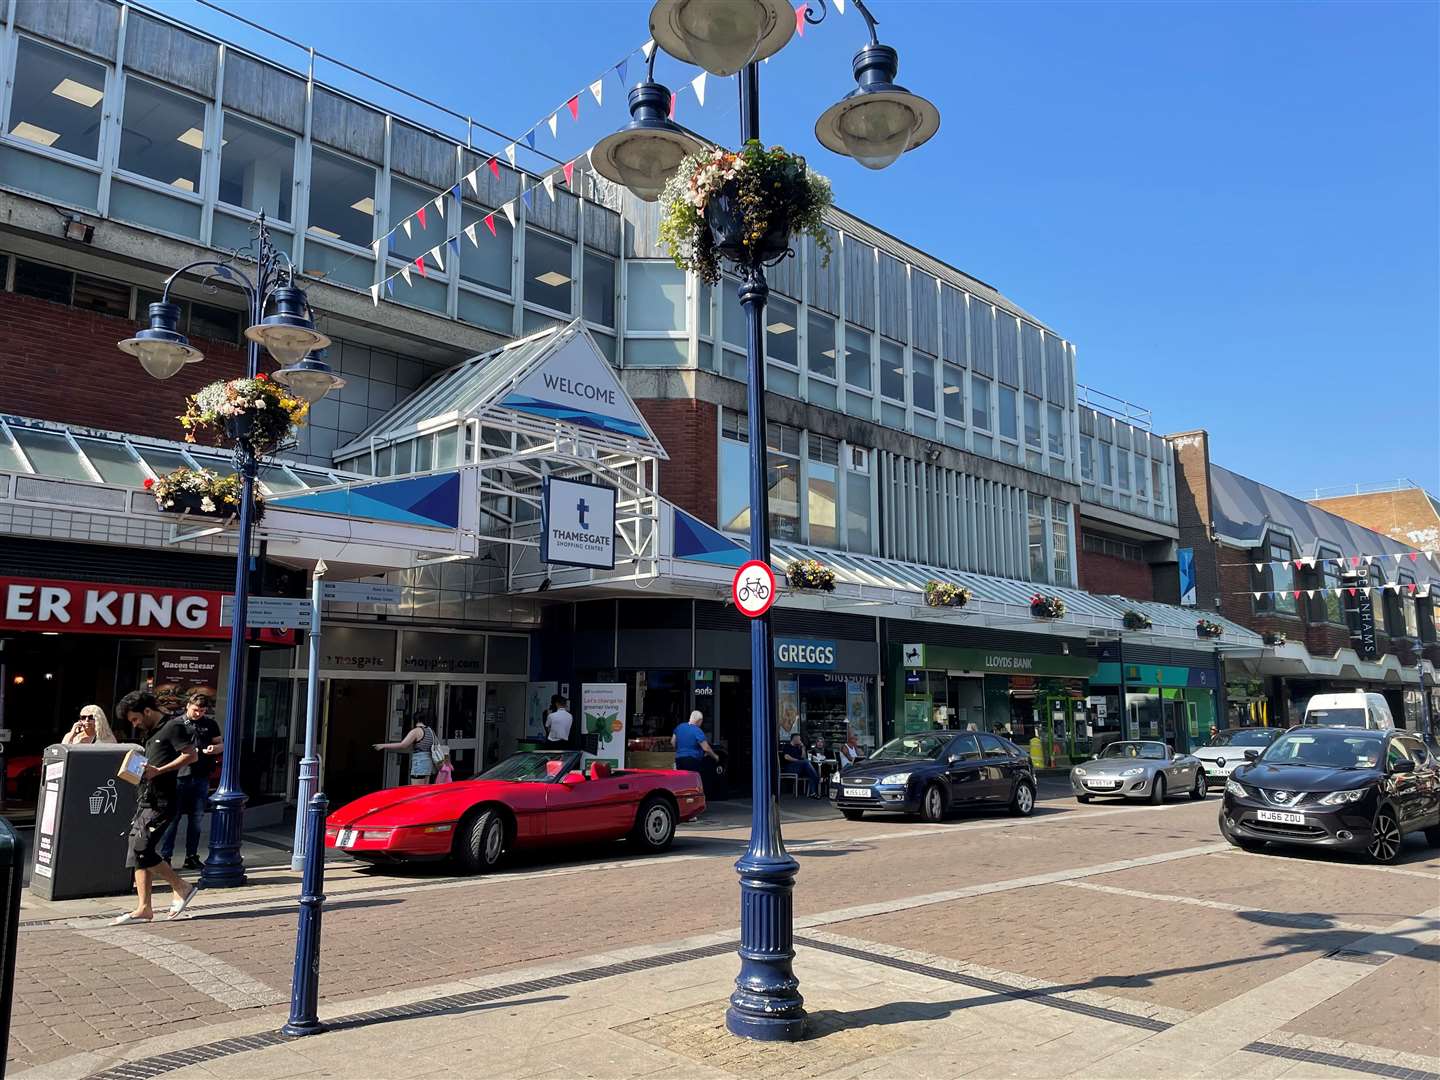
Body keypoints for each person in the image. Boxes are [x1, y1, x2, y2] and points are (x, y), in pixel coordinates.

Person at [111, 691, 198, 925]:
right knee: (135, 848)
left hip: (163, 801)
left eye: (135, 719)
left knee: (141, 847)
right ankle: (144, 908)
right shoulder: (150, 733)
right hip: (146, 799)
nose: (135, 724)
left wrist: (160, 771)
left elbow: (190, 756)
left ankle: (182, 886)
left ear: (147, 711)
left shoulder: (173, 727)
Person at [159, 693, 222, 871]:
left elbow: (220, 744)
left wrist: (214, 749)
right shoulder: (176, 724)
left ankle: (191, 856)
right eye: (195, 710)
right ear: (188, 706)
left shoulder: (210, 724)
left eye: (202, 711)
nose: (198, 714)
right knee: (173, 818)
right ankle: (166, 856)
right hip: (180, 775)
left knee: (196, 818)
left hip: (201, 775)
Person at [374, 715, 437, 785]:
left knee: (416, 791)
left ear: (416, 720)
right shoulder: (430, 731)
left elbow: (403, 745)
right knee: (424, 791)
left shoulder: (416, 731)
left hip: (419, 764)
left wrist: (383, 745)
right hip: (428, 765)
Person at [673, 710, 721, 794]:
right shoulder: (697, 730)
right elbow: (706, 748)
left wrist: (680, 750)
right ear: (699, 721)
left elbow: (672, 742)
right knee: (693, 782)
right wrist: (715, 756)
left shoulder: (680, 727)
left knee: (682, 781)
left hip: (679, 759)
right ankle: (693, 802)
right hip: (692, 760)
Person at [781, 733, 820, 798]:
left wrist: (803, 748)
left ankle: (813, 793)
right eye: (799, 739)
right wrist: (798, 761)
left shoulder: (798, 747)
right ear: (794, 739)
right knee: (806, 763)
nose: (800, 740)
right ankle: (818, 779)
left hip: (800, 767)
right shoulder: (787, 746)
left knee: (810, 771)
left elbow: (803, 757)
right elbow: (786, 757)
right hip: (790, 767)